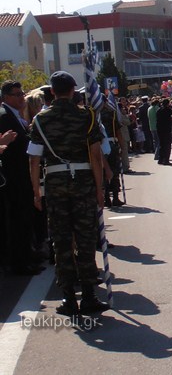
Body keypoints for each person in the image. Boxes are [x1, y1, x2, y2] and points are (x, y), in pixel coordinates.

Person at [27, 71, 108, 315]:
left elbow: (33, 160)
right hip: (83, 183)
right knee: (85, 238)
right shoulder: (86, 116)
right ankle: (90, 295)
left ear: (52, 91)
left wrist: (36, 192)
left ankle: (69, 298)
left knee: (61, 240)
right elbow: (95, 155)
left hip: (55, 184)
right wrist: (99, 188)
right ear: (73, 91)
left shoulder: (40, 120)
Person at [0, 81, 42, 275]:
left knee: (25, 220)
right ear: (6, 97)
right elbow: (12, 149)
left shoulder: (15, 115)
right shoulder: (4, 116)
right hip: (14, 177)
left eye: (22, 93)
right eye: (17, 94)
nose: (21, 97)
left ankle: (26, 258)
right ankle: (20, 262)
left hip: (22, 175)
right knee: (19, 220)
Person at [156, 99, 172, 165]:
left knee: (161, 145)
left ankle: (160, 159)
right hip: (166, 129)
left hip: (159, 129)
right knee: (167, 145)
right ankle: (166, 160)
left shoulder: (159, 110)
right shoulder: (168, 109)